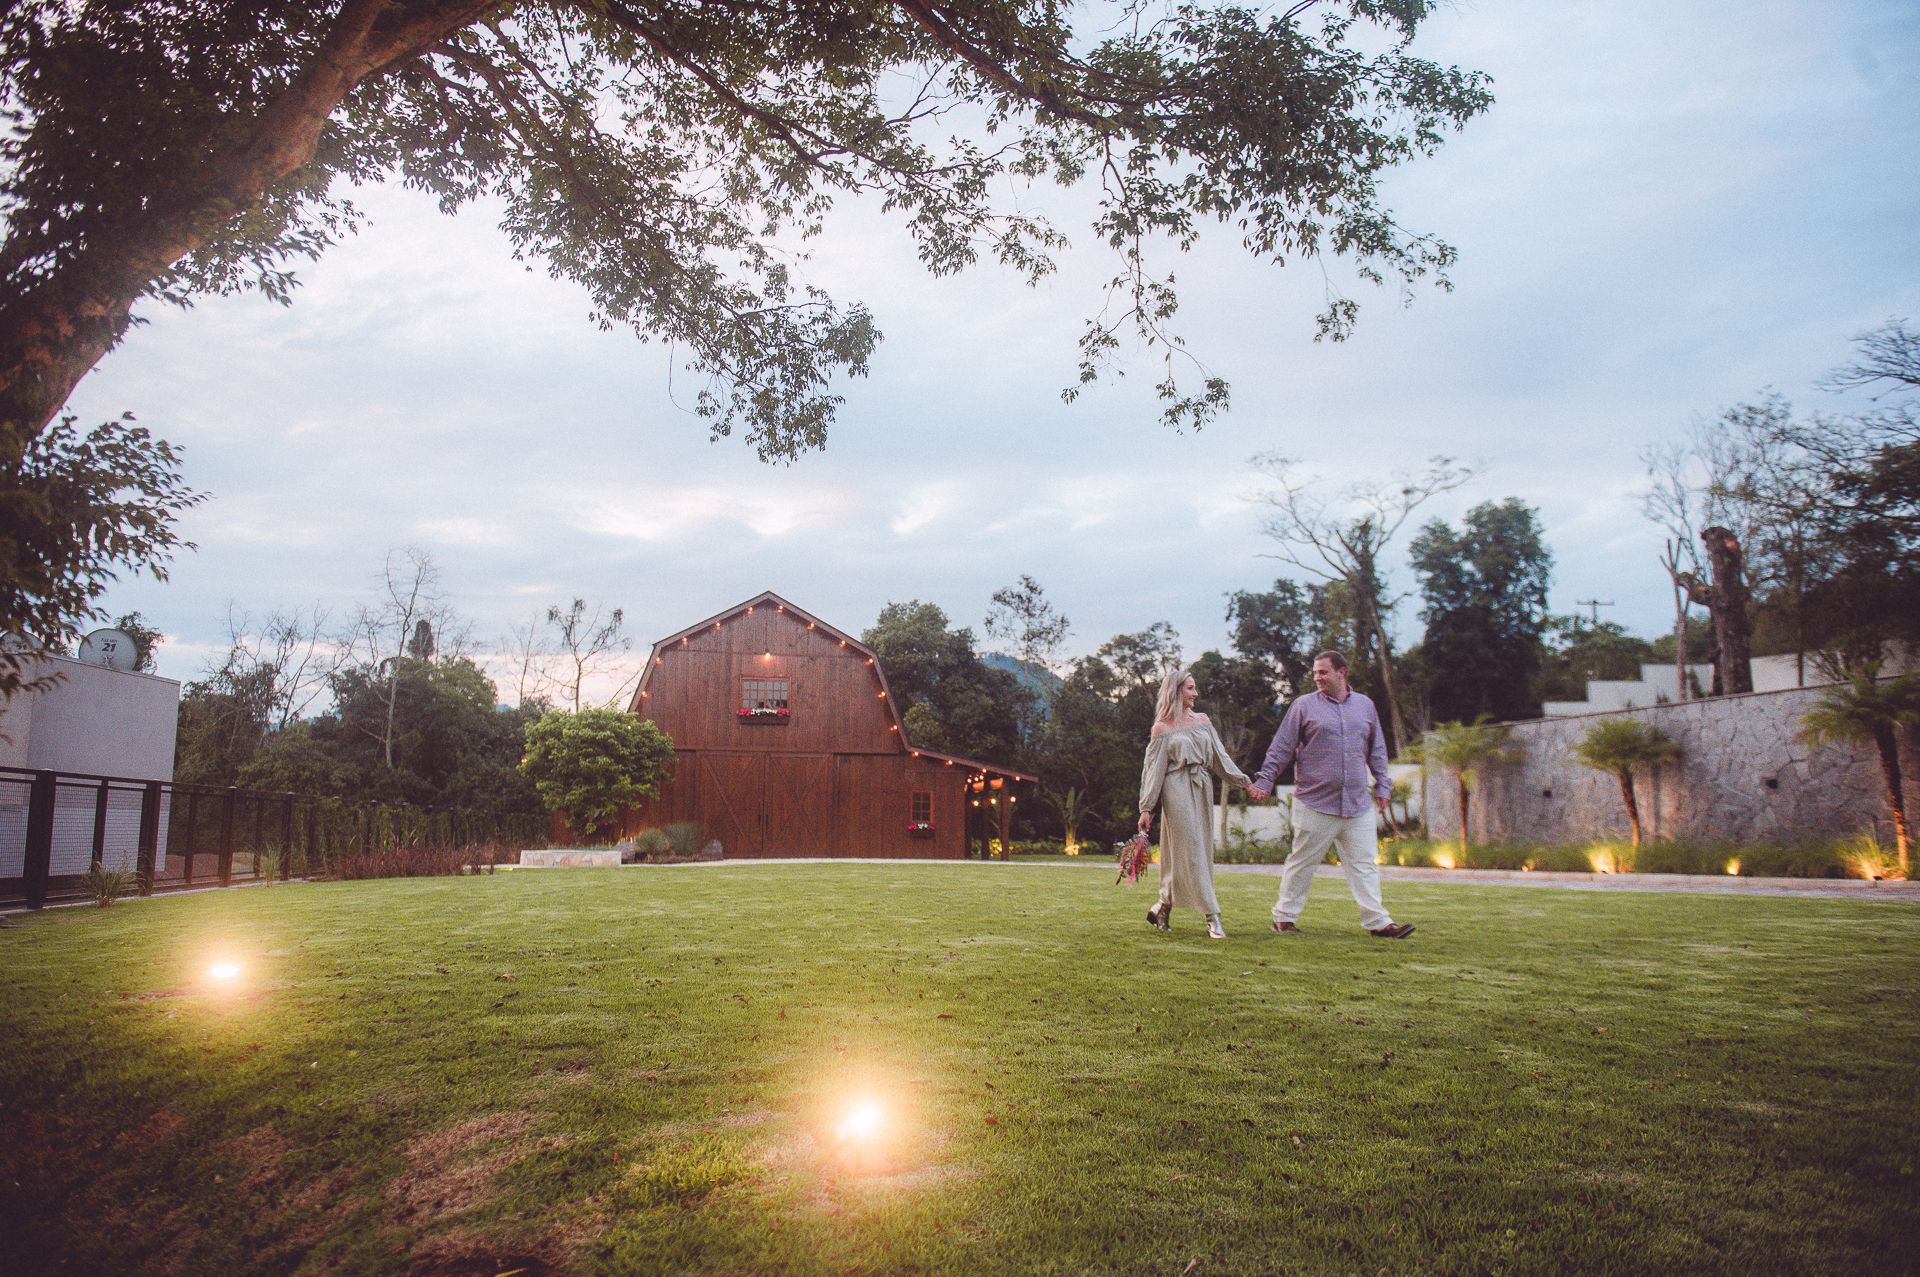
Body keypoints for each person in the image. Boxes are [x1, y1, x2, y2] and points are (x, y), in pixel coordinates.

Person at [1246, 650, 1415, 939]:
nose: (1317, 677)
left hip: (1357, 803)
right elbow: (1281, 747)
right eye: (1315, 673)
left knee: (1364, 864)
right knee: (1303, 862)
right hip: (1314, 802)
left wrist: (1383, 786)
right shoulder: (1303, 706)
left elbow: (1377, 750)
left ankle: (1378, 923)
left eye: (1323, 672)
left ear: (1341, 672)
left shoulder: (1365, 706)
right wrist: (1265, 781)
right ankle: (1284, 917)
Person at [1137, 668, 1253, 939]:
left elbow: (1220, 758)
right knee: (1191, 850)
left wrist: (1244, 782)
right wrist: (1146, 807)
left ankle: (1163, 906)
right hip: (1175, 790)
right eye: (1190, 688)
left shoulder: (1202, 721)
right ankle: (1212, 915)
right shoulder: (1162, 729)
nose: (1196, 693)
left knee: (1195, 850)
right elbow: (1153, 771)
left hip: (1201, 788)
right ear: (1176, 691)